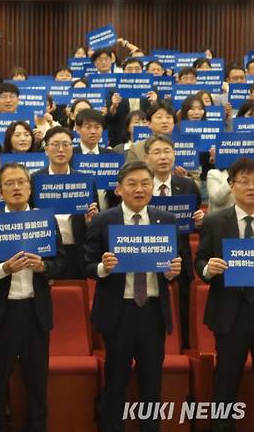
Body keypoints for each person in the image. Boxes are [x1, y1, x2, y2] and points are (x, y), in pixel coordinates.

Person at [84, 161, 182, 432]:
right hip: (118, 313)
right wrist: (104, 266)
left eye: (145, 183)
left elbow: (176, 270)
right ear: (119, 189)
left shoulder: (166, 220)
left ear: (153, 187)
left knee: (152, 384)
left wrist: (173, 273)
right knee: (115, 383)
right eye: (132, 183)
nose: (139, 189)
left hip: (152, 313)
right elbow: (87, 265)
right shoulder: (104, 220)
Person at [0, 163, 65, 432]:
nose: (16, 187)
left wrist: (44, 266)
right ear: (0, 192)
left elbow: (61, 263)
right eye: (9, 183)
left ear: (30, 187)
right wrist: (3, 269)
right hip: (1, 316)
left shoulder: (45, 220)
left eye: (21, 182)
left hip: (36, 314)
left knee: (37, 388)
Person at [194, 157, 254, 432]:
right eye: (244, 181)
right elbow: (200, 261)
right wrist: (208, 268)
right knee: (226, 383)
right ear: (231, 185)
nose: (251, 187)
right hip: (230, 315)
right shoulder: (216, 221)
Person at [144, 133, 204, 348]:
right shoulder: (141, 186)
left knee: (183, 311)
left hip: (181, 260)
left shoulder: (187, 185)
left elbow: (194, 220)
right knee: (148, 312)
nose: (163, 157)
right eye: (157, 152)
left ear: (175, 154)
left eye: (167, 151)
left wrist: (199, 223)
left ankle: (184, 349)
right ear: (147, 157)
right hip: (146, 259)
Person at [32, 127, 99, 279]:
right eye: (55, 144)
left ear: (72, 148)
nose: (61, 149)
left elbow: (94, 224)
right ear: (46, 148)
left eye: (66, 144)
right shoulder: (34, 180)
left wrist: (91, 221)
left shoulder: (85, 180)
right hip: (46, 253)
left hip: (77, 251)